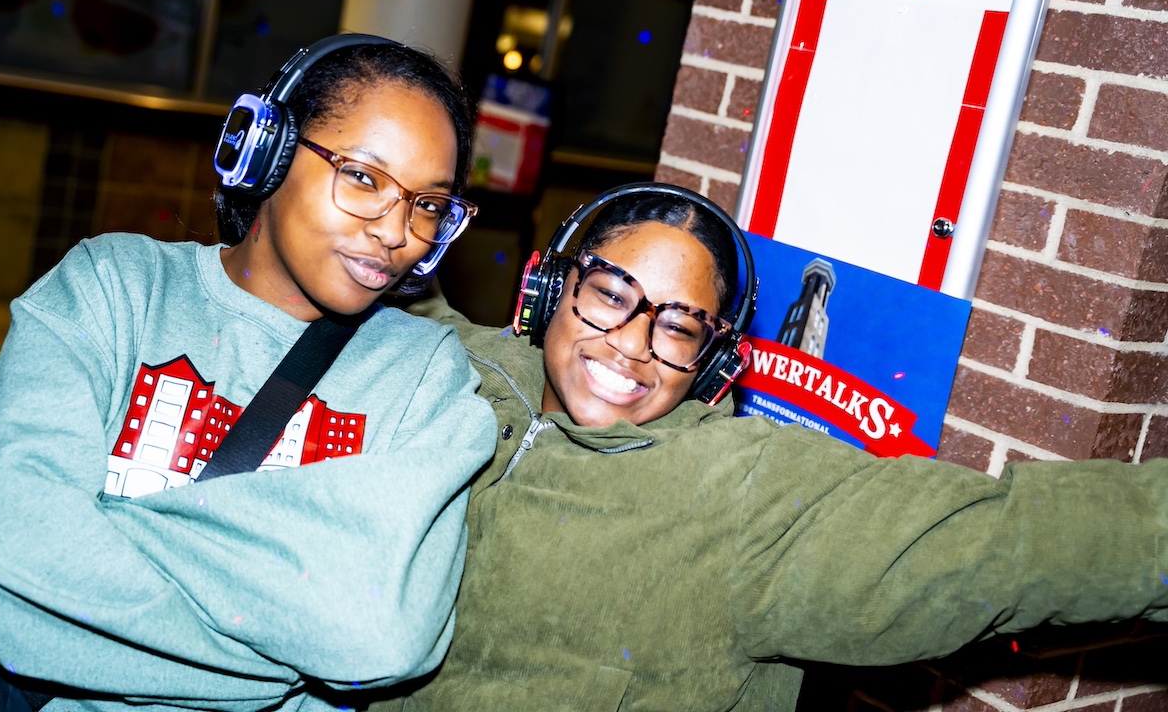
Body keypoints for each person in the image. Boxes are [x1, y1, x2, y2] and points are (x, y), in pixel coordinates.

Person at [368, 183, 1168, 712]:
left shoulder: (742, 494)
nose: (632, 347)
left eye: (678, 325)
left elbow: (1008, 543)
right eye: (612, 294)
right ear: (547, 289)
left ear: (714, 363)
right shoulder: (453, 367)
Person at [0, 35, 496, 712]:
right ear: (268, 151)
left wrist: (107, 532)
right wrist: (284, 663)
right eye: (364, 177)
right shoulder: (115, 288)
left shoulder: (426, 381)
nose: (397, 231)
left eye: (428, 204)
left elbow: (380, 631)